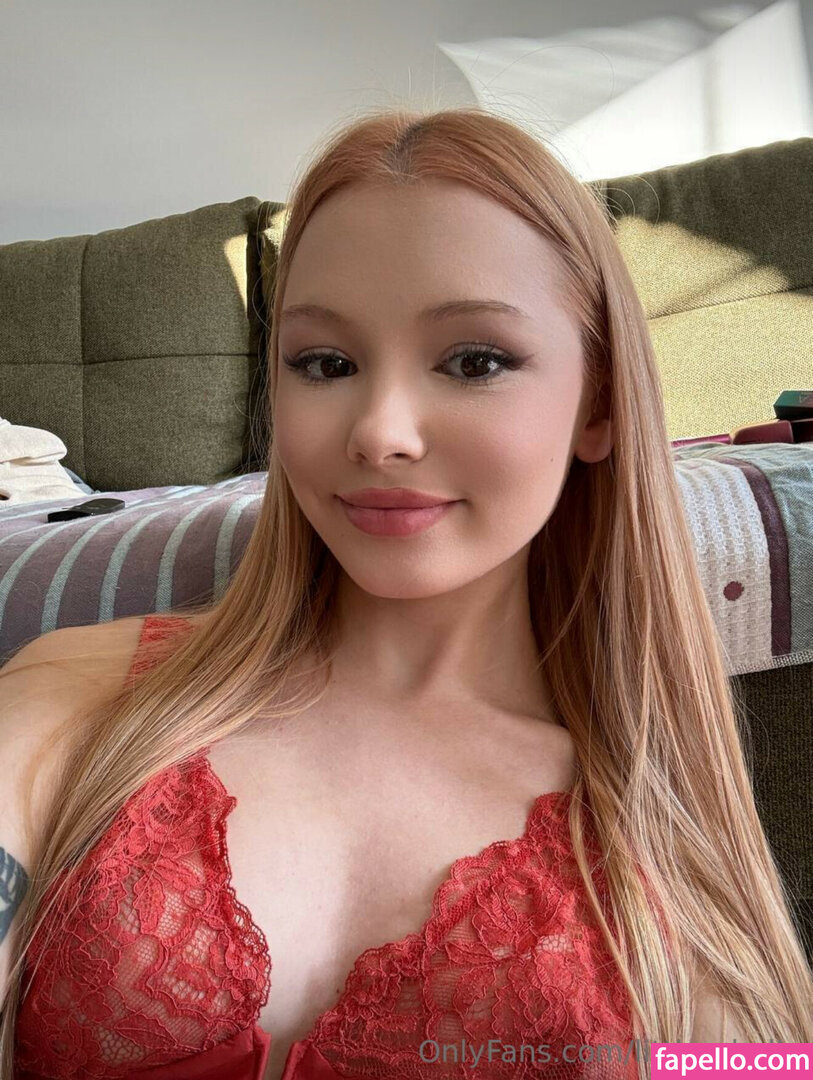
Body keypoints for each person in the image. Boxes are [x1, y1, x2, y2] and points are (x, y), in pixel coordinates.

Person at [1, 107, 811, 1080]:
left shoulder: (662, 877)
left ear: (597, 403)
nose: (379, 431)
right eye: (326, 364)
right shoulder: (76, 695)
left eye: (474, 361)